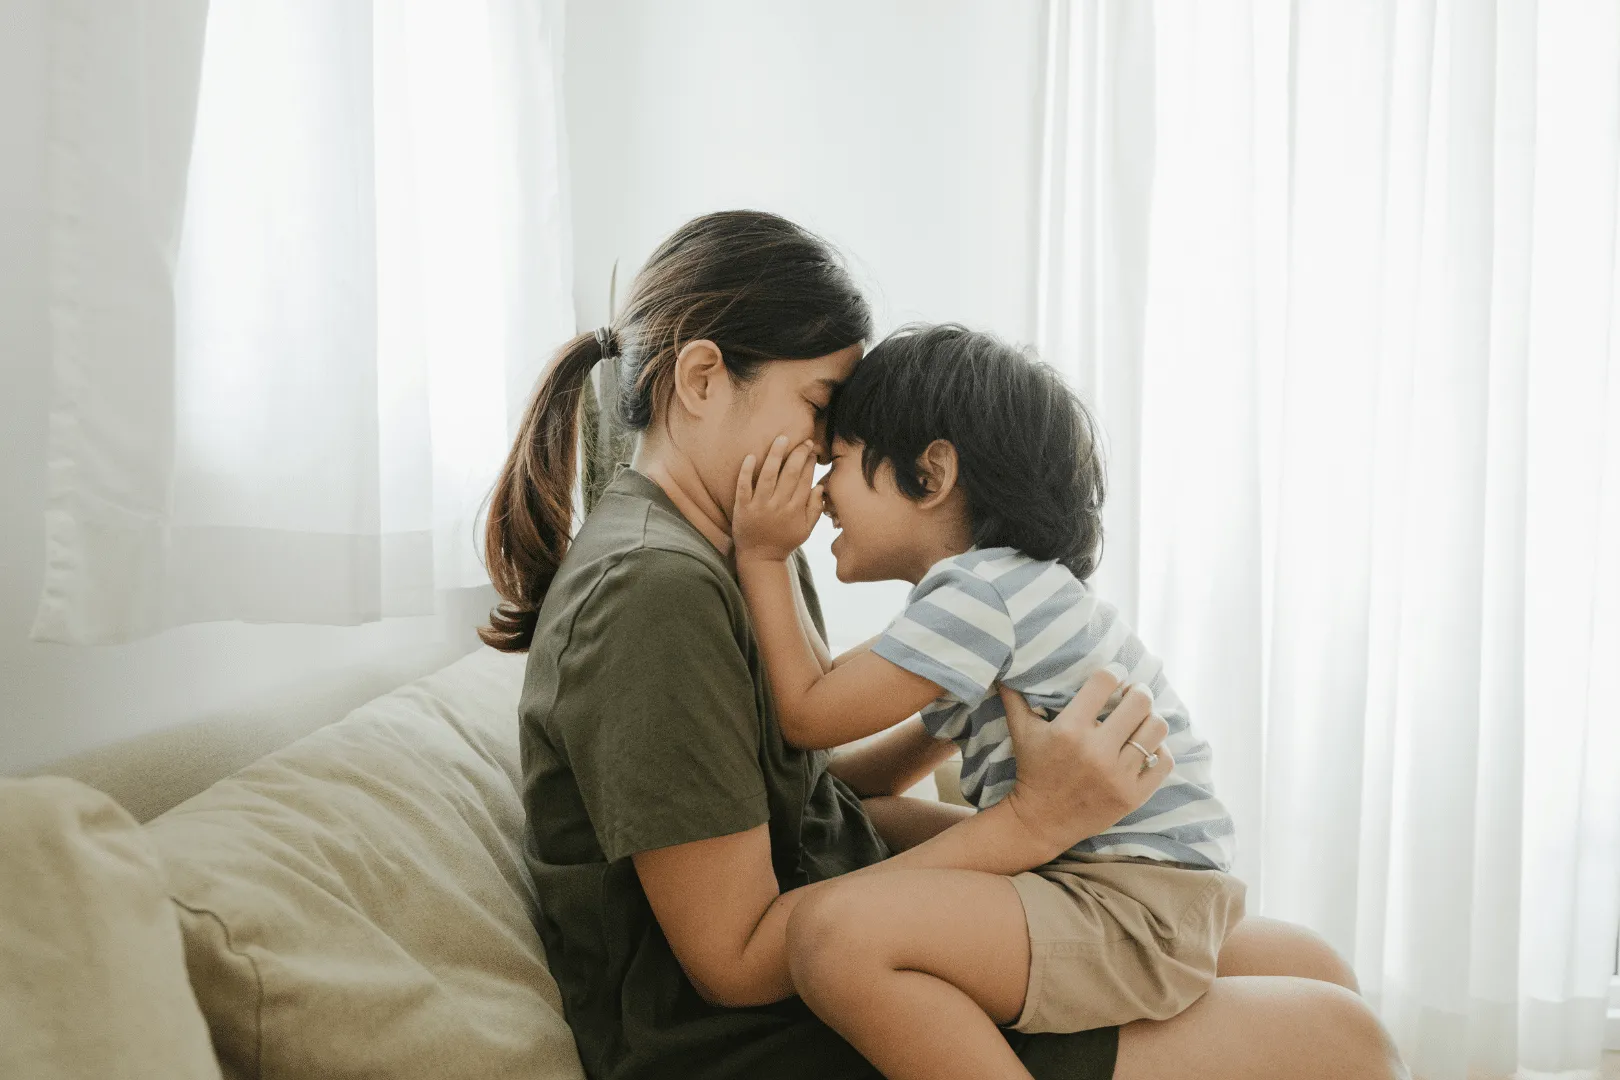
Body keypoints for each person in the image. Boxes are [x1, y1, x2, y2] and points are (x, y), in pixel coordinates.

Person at [481, 209, 1408, 1080]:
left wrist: (969, 690)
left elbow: (802, 787)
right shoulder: (656, 592)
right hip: (766, 1032)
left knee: (1310, 963)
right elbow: (733, 960)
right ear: (699, 379)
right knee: (1344, 1042)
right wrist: (1033, 824)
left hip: (854, 924)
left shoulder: (740, 543)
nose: (827, 451)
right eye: (822, 404)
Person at [731, 323, 1243, 1079]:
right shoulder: (1004, 593)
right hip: (1147, 884)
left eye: (834, 462)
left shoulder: (976, 593)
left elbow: (808, 712)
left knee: (833, 938)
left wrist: (763, 554)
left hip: (1128, 901)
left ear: (931, 474)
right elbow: (848, 776)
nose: (819, 490)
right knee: (867, 822)